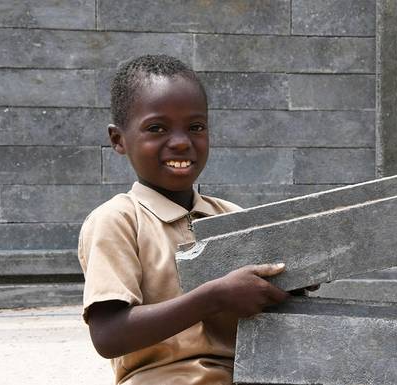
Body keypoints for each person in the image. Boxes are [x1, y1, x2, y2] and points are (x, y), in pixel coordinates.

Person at [77, 54, 291, 384]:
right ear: (119, 140)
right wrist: (214, 296)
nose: (180, 142)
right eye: (157, 128)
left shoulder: (231, 216)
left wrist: (293, 280)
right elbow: (108, 335)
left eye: (196, 127)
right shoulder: (118, 220)